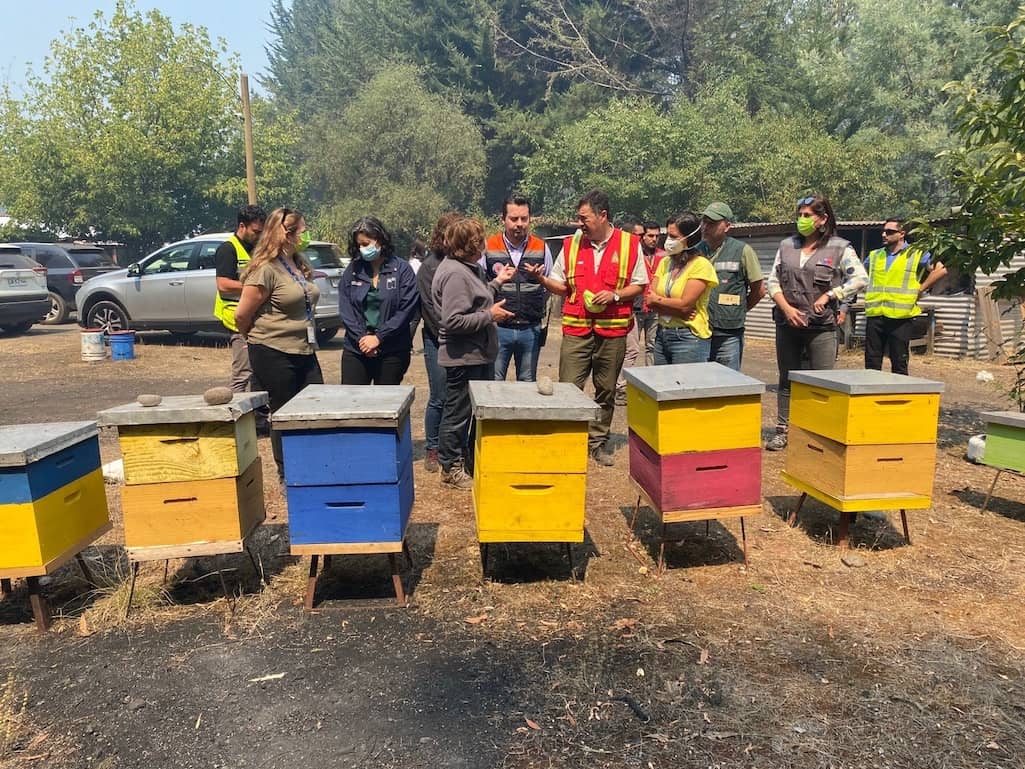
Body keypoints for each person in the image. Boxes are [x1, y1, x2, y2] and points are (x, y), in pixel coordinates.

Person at [525, 189, 647, 466]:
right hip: (576, 331)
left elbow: (640, 284)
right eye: (578, 218)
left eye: (584, 218)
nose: (579, 223)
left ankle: (597, 442)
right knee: (569, 388)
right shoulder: (571, 245)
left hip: (613, 333)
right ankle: (569, 441)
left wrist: (615, 295)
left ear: (603, 215)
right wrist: (542, 279)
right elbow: (561, 285)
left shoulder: (629, 244)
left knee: (605, 390)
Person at [765, 194, 867, 451]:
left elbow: (860, 279)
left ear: (823, 219)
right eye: (799, 215)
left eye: (807, 215)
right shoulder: (786, 245)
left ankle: (816, 433)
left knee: (820, 383)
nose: (802, 220)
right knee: (786, 379)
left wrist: (832, 295)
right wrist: (786, 309)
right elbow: (772, 281)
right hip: (788, 324)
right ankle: (783, 430)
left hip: (821, 326)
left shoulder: (840, 247)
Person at [234, 207, 324, 478]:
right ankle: (288, 472)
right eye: (301, 229)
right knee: (285, 410)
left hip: (304, 347)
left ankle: (312, 465)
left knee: (316, 404)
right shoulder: (265, 270)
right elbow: (242, 314)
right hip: (272, 350)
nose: (305, 233)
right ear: (284, 233)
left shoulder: (298, 263)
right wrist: (253, 338)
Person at [433, 218, 515, 489]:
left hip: (476, 355)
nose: (484, 243)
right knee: (457, 414)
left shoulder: (465, 269)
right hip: (463, 358)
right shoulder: (455, 273)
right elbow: (453, 321)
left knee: (470, 412)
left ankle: (467, 461)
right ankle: (450, 468)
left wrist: (496, 283)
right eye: (480, 239)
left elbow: (474, 298)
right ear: (470, 245)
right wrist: (489, 315)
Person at [337, 216, 419, 385]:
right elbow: (346, 309)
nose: (362, 249)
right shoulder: (353, 270)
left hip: (392, 350)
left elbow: (406, 310)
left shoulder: (402, 270)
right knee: (352, 403)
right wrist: (363, 339)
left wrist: (379, 338)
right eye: (359, 245)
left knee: (388, 405)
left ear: (380, 240)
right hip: (357, 349)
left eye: (366, 244)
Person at [480, 193, 552, 382]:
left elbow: (549, 284)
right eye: (513, 219)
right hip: (497, 329)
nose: (519, 224)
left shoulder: (542, 247)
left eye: (524, 218)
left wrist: (535, 297)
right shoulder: (488, 247)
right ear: (503, 219)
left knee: (527, 383)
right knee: (493, 384)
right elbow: (479, 287)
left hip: (531, 329)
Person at [863, 217, 947, 375]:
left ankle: (898, 395)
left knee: (899, 360)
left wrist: (920, 289)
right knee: (872, 361)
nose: (884, 235)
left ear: (902, 233)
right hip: (875, 314)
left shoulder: (916, 253)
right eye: (883, 231)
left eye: (889, 232)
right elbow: (861, 274)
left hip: (901, 316)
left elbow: (941, 270)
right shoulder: (875, 255)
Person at [417, 212, 464, 473]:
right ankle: (432, 448)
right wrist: (454, 334)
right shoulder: (429, 266)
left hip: (459, 340)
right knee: (439, 397)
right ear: (443, 236)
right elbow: (433, 311)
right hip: (438, 340)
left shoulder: (464, 263)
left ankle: (453, 447)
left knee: (457, 398)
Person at [646, 212, 719, 365]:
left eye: (674, 237)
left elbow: (685, 306)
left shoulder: (701, 265)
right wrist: (675, 308)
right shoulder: (665, 262)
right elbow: (649, 300)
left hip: (687, 338)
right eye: (668, 235)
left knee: (684, 386)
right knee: (661, 386)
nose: (668, 241)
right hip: (662, 334)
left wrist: (660, 302)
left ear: (689, 238)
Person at [700, 202, 766, 370]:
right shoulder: (696, 252)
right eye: (704, 222)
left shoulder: (743, 251)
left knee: (728, 383)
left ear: (727, 226)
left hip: (728, 332)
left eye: (712, 223)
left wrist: (739, 309)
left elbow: (759, 290)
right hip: (699, 330)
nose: (706, 227)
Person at [214, 204, 266, 392]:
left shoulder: (257, 249)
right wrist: (255, 288)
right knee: (243, 373)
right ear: (242, 226)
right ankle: (237, 415)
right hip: (236, 318)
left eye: (262, 232)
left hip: (256, 318)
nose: (258, 235)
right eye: (255, 231)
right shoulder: (228, 249)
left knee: (259, 371)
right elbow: (223, 285)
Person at [615, 220, 664, 404]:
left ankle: (651, 387)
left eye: (656, 236)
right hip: (634, 310)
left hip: (655, 310)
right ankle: (621, 389)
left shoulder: (663, 256)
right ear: (642, 237)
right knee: (632, 350)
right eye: (650, 236)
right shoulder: (631, 255)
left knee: (652, 348)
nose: (653, 239)